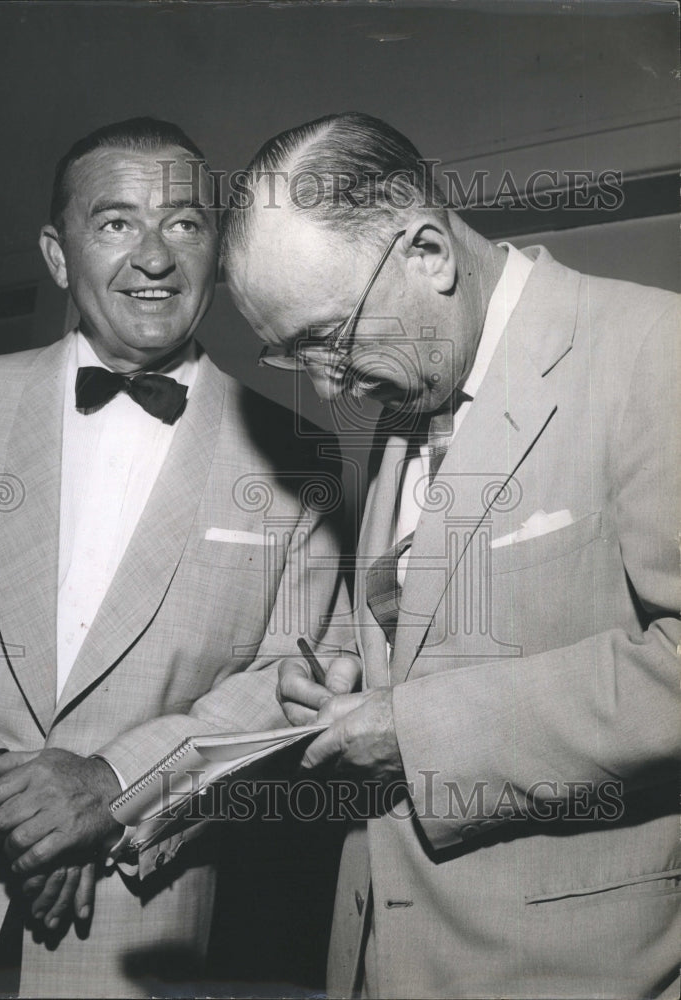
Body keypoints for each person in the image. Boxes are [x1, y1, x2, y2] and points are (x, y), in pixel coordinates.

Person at [0, 116, 348, 998]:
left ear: (220, 249)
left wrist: (109, 788)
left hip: (140, 928)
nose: (155, 257)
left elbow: (296, 681)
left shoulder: (302, 456)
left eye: (184, 223)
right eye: (116, 222)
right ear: (59, 257)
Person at [221, 112, 680, 999]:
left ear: (428, 253)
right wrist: (362, 686)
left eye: (330, 338)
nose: (327, 387)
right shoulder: (406, 402)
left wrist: (418, 731)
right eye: (293, 354)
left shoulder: (651, 355)